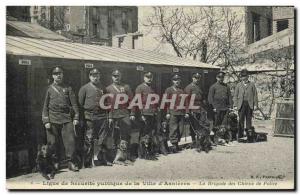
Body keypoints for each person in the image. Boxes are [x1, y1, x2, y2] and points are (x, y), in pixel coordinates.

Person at [42, 67, 80, 172]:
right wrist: (46, 120)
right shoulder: (48, 89)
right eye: (56, 74)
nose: (58, 75)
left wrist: (76, 117)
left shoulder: (68, 88)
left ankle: (71, 162)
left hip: (66, 119)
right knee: (53, 142)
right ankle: (55, 162)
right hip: (53, 119)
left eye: (60, 73)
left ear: (63, 75)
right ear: (52, 76)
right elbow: (45, 106)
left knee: (70, 142)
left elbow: (74, 104)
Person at [78, 68, 108, 167]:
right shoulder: (84, 88)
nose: (95, 78)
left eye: (97, 76)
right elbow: (80, 105)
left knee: (102, 139)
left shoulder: (103, 88)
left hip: (102, 117)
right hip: (89, 117)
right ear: (89, 76)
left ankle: (101, 159)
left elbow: (106, 103)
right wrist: (81, 119)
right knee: (89, 139)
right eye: (93, 76)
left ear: (99, 76)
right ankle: (87, 162)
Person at [106, 70, 135, 148]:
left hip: (124, 113)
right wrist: (110, 116)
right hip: (114, 114)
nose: (116, 78)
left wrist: (132, 113)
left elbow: (131, 100)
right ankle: (115, 151)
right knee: (115, 133)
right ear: (112, 77)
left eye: (118, 76)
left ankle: (127, 152)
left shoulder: (126, 87)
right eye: (115, 76)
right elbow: (108, 104)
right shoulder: (108, 89)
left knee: (126, 132)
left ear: (120, 77)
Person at [164, 74, 189, 153]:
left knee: (180, 130)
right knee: (173, 129)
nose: (177, 81)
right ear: (172, 81)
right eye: (175, 80)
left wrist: (186, 112)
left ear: (180, 81)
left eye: (178, 80)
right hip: (173, 113)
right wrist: (167, 112)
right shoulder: (169, 90)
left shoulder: (182, 91)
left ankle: (177, 143)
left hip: (181, 113)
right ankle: (174, 145)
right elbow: (166, 102)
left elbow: (186, 102)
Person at [233, 69, 258, 139]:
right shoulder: (238, 85)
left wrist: (255, 105)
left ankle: (248, 134)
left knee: (248, 119)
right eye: (242, 76)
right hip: (241, 104)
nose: (243, 78)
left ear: (248, 76)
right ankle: (240, 134)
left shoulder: (252, 85)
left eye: (245, 76)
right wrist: (235, 105)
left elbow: (255, 95)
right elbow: (235, 95)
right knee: (241, 119)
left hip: (249, 104)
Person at [184, 73, 205, 148]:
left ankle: (199, 141)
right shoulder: (189, 87)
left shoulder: (199, 87)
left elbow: (201, 99)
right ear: (192, 78)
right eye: (195, 78)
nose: (197, 79)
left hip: (199, 109)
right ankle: (193, 141)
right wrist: (187, 111)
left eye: (198, 78)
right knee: (193, 127)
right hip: (193, 110)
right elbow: (186, 100)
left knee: (200, 126)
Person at [135, 72, 158, 138]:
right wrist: (141, 114)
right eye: (147, 77)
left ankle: (151, 147)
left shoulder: (153, 88)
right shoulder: (140, 88)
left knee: (152, 131)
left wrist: (156, 110)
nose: (149, 79)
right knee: (144, 132)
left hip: (152, 113)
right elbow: (138, 101)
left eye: (150, 77)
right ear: (144, 78)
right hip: (144, 113)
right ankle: (141, 147)